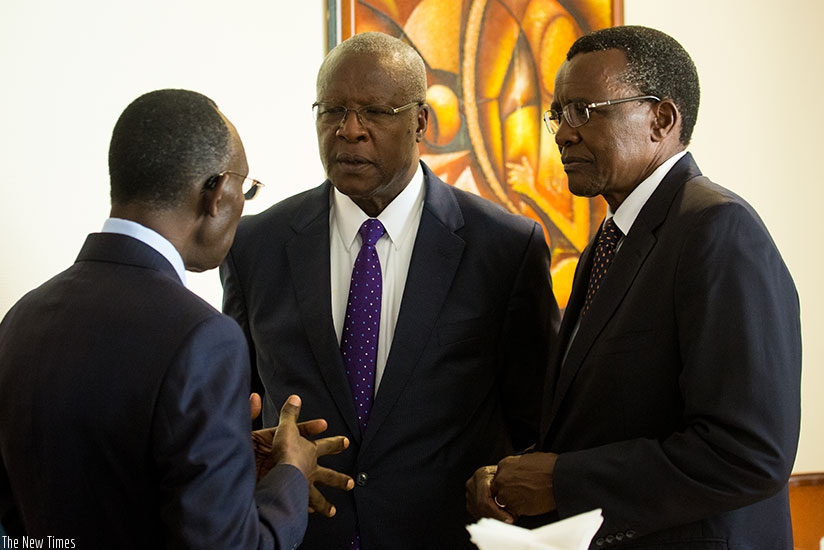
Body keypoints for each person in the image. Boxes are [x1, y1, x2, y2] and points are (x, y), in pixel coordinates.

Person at [219, 32, 561, 549]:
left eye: (374, 112)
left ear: (421, 122)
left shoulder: (504, 248)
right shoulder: (255, 245)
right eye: (331, 110)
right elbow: (237, 407)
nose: (348, 131)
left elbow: (534, 421)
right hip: (302, 536)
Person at [466, 25, 802, 548]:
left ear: (661, 120)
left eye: (585, 111)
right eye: (559, 114)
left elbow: (748, 453)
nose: (562, 133)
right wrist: (517, 474)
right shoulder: (608, 240)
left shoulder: (719, 230)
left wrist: (562, 482)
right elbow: (601, 422)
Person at [0, 89, 353, 549]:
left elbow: (15, 524)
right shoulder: (203, 338)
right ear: (216, 192)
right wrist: (290, 472)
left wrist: (226, 462)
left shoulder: (21, 319)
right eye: (245, 189)